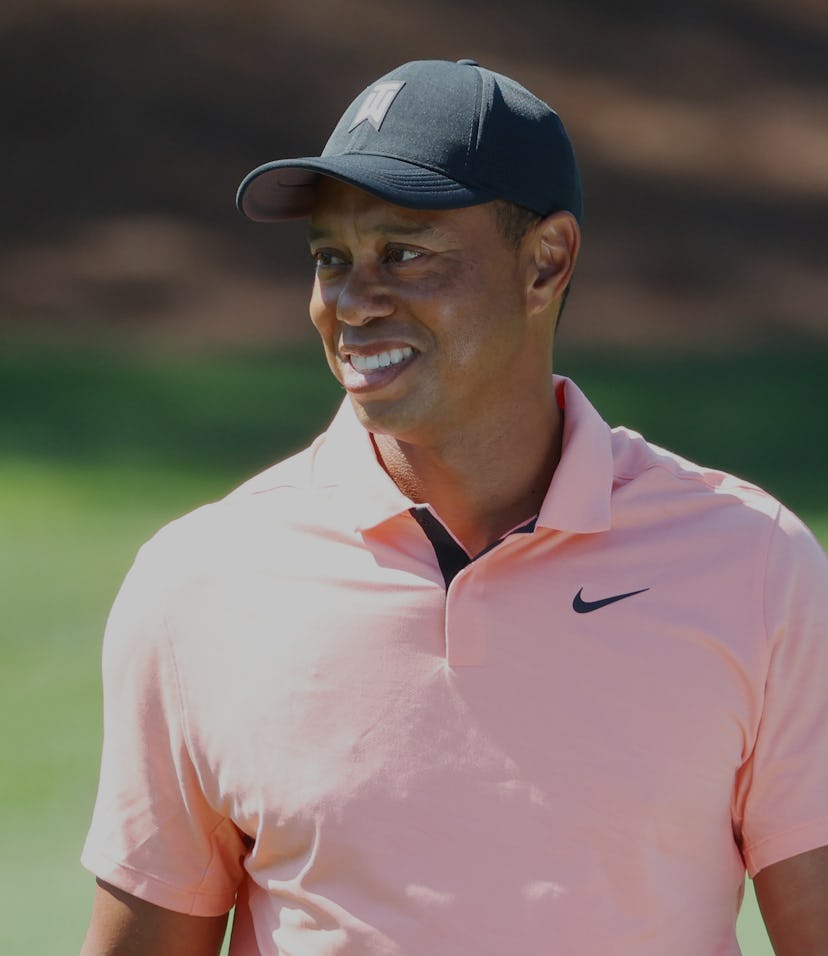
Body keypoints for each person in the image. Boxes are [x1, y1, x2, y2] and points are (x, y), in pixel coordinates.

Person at [79, 59, 828, 956]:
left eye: (405, 253)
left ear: (546, 262)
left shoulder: (752, 563)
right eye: (331, 259)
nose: (353, 301)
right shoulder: (196, 584)